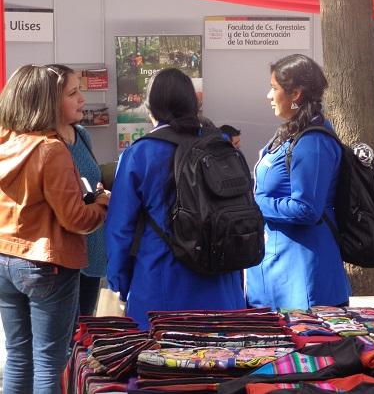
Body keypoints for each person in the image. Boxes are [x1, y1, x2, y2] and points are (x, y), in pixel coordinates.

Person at [105, 68, 246, 329]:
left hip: (160, 283)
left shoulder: (140, 154)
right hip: (222, 284)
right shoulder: (221, 146)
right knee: (222, 363)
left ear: (151, 108)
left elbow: (120, 228)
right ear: (194, 103)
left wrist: (120, 282)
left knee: (161, 367)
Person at [0, 64, 109, 393]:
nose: (81, 98)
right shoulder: (51, 149)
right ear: (46, 102)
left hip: (7, 258)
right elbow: (76, 218)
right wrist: (102, 201)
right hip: (48, 264)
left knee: (18, 357)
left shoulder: (6, 142)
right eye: (71, 92)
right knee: (51, 360)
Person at [246, 54, 350, 310]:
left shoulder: (314, 142)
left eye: (274, 89)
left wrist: (254, 203)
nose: (269, 96)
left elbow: (307, 209)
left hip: (304, 279)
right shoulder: (291, 134)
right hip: (277, 272)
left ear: (296, 94)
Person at [47, 64, 106, 318]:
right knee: (63, 343)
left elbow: (87, 183)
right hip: (60, 260)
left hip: (91, 249)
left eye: (80, 91)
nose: (82, 99)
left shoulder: (82, 135)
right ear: (51, 100)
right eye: (72, 94)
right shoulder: (44, 143)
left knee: (84, 332)